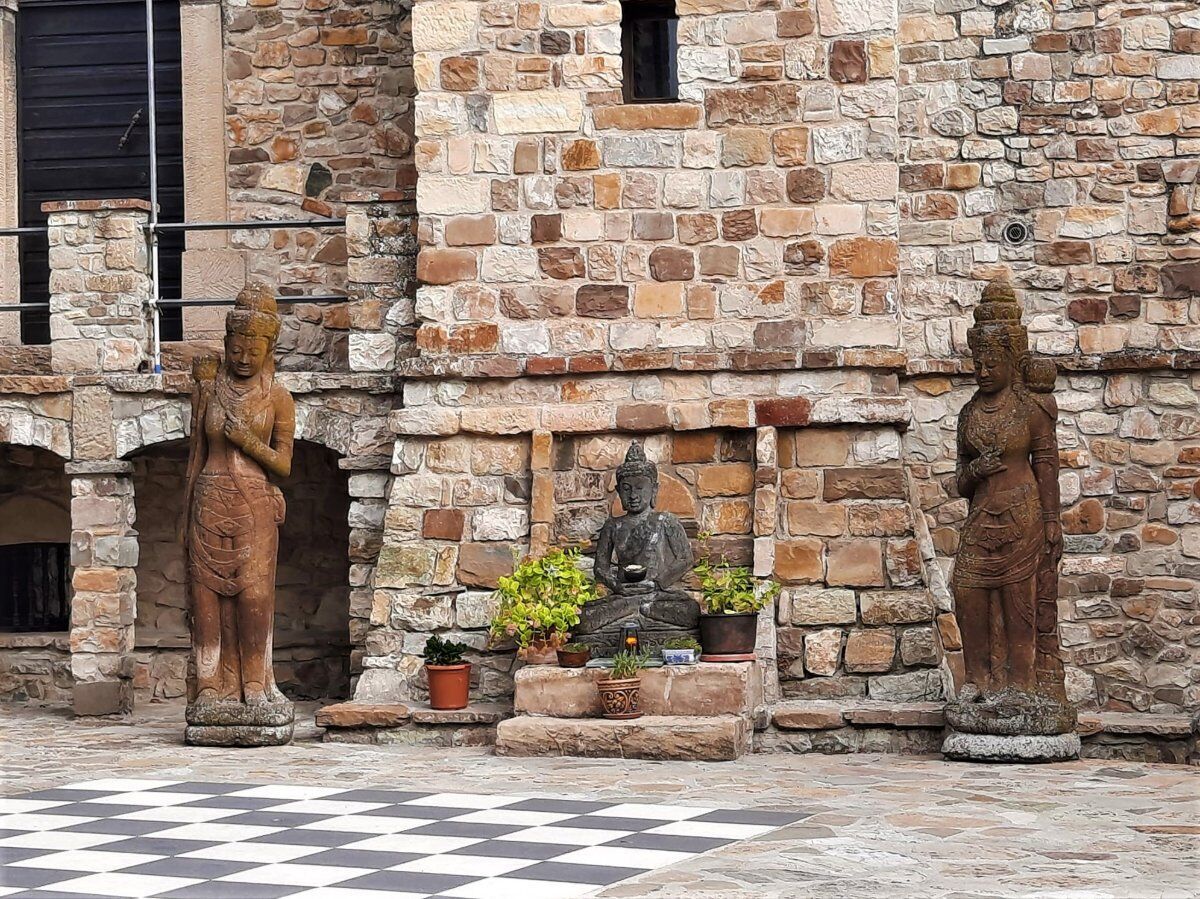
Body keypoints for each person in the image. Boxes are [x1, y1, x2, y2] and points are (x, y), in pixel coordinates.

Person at [952, 280, 1066, 702]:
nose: (982, 370)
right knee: (967, 591)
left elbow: (1047, 467)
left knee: (1020, 601)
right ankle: (977, 680)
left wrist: (1053, 521)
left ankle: (1021, 683)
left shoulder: (1030, 410)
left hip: (1024, 516)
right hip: (982, 517)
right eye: (977, 361)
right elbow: (959, 480)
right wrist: (977, 470)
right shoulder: (968, 415)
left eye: (991, 361)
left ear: (1011, 362)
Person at [183, 284, 295, 712]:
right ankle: (210, 685)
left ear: (268, 349)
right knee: (205, 594)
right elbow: (196, 456)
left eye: (253, 349)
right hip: (209, 498)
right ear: (227, 344)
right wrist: (183, 516)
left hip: (254, 501)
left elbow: (283, 464)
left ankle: (255, 683)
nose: (243, 357)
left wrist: (247, 439)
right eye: (236, 347)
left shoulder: (278, 398)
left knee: (253, 595)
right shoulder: (211, 390)